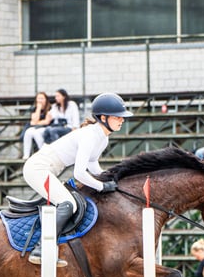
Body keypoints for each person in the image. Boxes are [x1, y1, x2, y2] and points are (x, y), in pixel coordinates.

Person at [22, 91, 132, 266]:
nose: (122, 120)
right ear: (103, 117)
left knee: (71, 201)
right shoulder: (90, 135)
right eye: (118, 117)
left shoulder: (102, 139)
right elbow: (79, 174)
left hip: (47, 169)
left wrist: (111, 181)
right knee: (68, 203)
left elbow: (93, 166)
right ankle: (41, 248)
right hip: (37, 169)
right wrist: (102, 187)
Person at [21, 91, 53, 159]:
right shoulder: (34, 108)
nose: (40, 100)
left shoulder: (50, 108)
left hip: (46, 127)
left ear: (46, 99)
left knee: (36, 133)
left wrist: (36, 122)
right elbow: (33, 121)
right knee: (28, 132)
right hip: (36, 127)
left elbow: (47, 122)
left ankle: (43, 152)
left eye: (42, 98)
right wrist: (38, 108)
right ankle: (26, 155)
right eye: (39, 98)